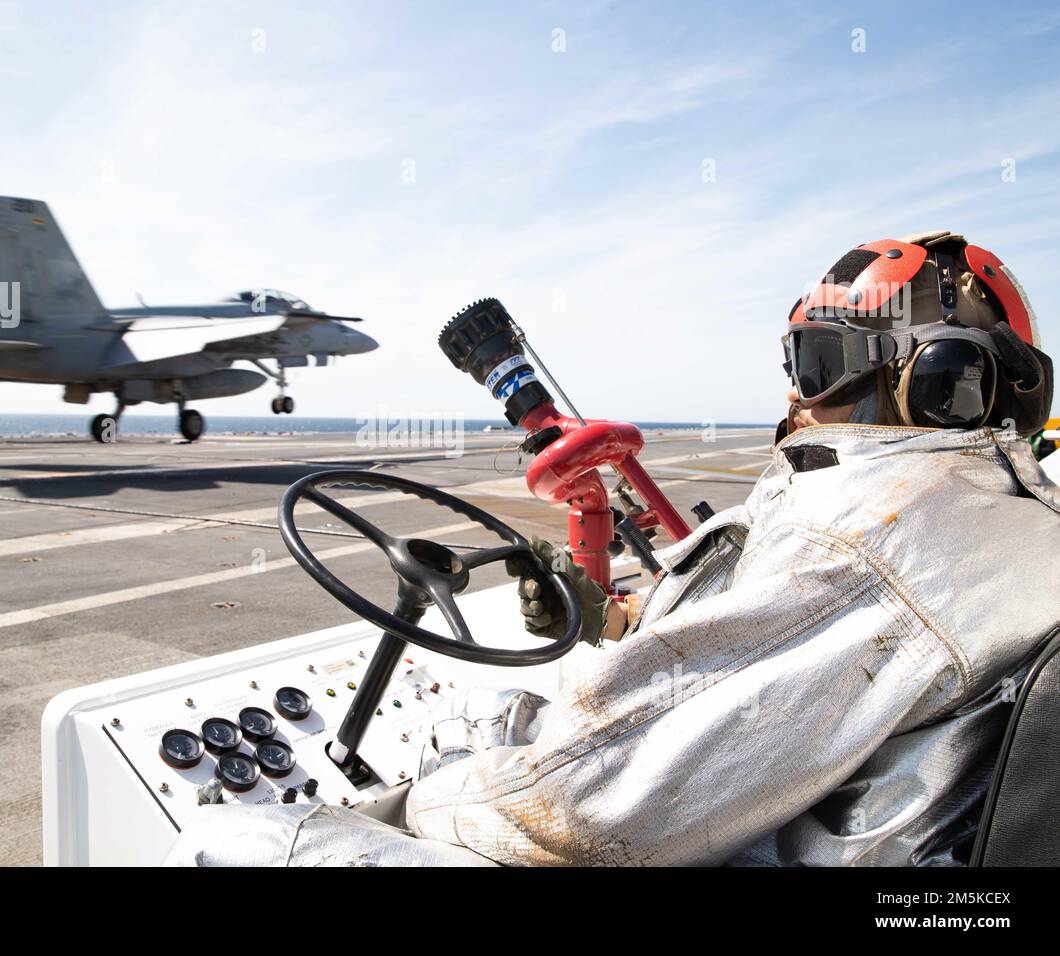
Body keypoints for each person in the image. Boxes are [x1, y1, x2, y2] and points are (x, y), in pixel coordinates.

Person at [167, 231, 1059, 866]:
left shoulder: (863, 538)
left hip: (668, 827)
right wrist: (613, 617)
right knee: (487, 722)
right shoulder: (1003, 517)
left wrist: (408, 803)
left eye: (819, 364)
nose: (796, 393)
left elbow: (588, 816)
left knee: (231, 839)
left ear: (939, 379)